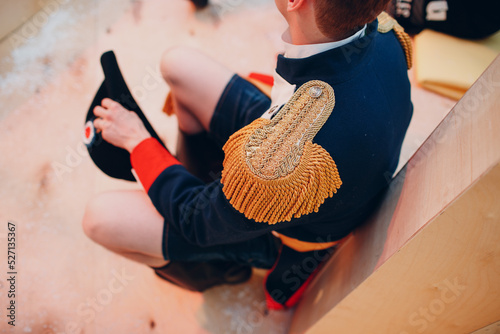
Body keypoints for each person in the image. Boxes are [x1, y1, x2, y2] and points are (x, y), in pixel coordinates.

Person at [82, 0, 413, 309]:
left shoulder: (274, 165)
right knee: (178, 63)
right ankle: (196, 176)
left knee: (100, 219)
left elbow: (197, 221)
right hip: (318, 140)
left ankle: (219, 268)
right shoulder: (383, 32)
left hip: (291, 225)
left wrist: (136, 140)